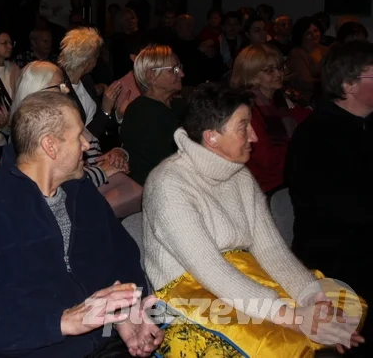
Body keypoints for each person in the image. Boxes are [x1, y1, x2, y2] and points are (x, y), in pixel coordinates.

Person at [143, 83, 364, 357]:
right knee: (288, 345)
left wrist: (311, 300)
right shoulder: (168, 185)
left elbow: (271, 251)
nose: (255, 136)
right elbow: (211, 270)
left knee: (338, 311)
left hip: (239, 279)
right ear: (212, 137)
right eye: (243, 126)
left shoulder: (240, 176)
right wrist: (296, 318)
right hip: (190, 295)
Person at [0, 91, 162, 358]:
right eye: (78, 137)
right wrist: (63, 322)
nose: (86, 145)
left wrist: (129, 314)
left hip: (104, 344)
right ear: (50, 146)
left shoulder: (82, 193)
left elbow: (124, 260)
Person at [287, 40, 373, 347]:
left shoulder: (365, 126)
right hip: (337, 254)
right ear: (349, 85)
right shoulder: (316, 136)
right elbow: (342, 209)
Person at [5, 61, 139, 218]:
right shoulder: (28, 135)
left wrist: (117, 154)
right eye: (59, 86)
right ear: (38, 92)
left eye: (65, 84)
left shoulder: (65, 117)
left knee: (135, 191)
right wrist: (104, 170)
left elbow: (93, 152)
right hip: (62, 207)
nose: (67, 90)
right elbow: (57, 183)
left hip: (86, 188)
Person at [230, 44, 310, 194]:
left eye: (279, 67)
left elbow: (310, 122)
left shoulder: (280, 100)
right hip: (266, 187)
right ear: (251, 75)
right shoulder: (248, 109)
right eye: (269, 70)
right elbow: (266, 160)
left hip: (288, 178)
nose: (278, 74)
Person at [120, 44, 185, 186]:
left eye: (179, 67)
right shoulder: (143, 113)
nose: (181, 74)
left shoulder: (175, 106)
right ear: (152, 76)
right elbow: (163, 165)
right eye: (174, 70)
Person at [58, 27, 123, 141]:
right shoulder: (58, 87)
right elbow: (82, 137)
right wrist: (105, 109)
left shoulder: (86, 80)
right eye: (96, 56)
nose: (98, 60)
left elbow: (99, 121)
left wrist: (118, 112)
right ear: (86, 61)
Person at [286, 16, 329, 104]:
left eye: (316, 31)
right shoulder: (296, 53)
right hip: (306, 100)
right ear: (301, 36)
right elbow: (305, 82)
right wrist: (330, 83)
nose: (314, 35)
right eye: (308, 33)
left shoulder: (326, 50)